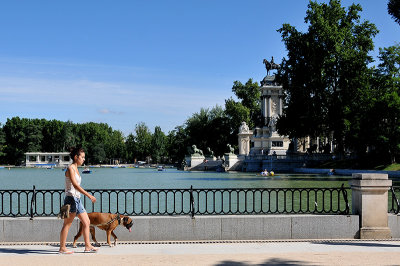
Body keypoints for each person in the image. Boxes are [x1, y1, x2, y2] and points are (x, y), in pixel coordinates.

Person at [59, 147, 98, 254]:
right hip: (70, 199)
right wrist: (89, 195)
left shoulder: (76, 168)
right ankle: (62, 248)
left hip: (77, 199)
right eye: (82, 157)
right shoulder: (70, 168)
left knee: (87, 222)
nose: (84, 159)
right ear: (76, 157)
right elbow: (75, 185)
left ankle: (88, 246)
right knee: (67, 224)